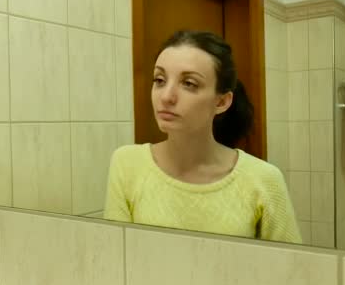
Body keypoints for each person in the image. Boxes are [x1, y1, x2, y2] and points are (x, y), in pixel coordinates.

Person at [104, 30, 301, 243]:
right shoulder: (127, 164)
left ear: (221, 102)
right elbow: (117, 258)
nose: (166, 97)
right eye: (160, 80)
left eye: (189, 83)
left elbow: (290, 270)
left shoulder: (263, 180)